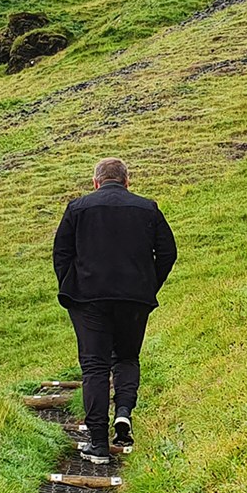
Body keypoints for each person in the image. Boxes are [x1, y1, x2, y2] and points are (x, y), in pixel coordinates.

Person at [51, 157, 177, 465]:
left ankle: (98, 444)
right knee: (126, 357)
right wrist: (148, 286)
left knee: (94, 367)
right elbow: (168, 253)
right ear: (127, 181)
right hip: (134, 299)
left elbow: (61, 253)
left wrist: (72, 286)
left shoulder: (77, 208)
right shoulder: (148, 208)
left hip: (89, 300)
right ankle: (123, 414)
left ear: (95, 182)